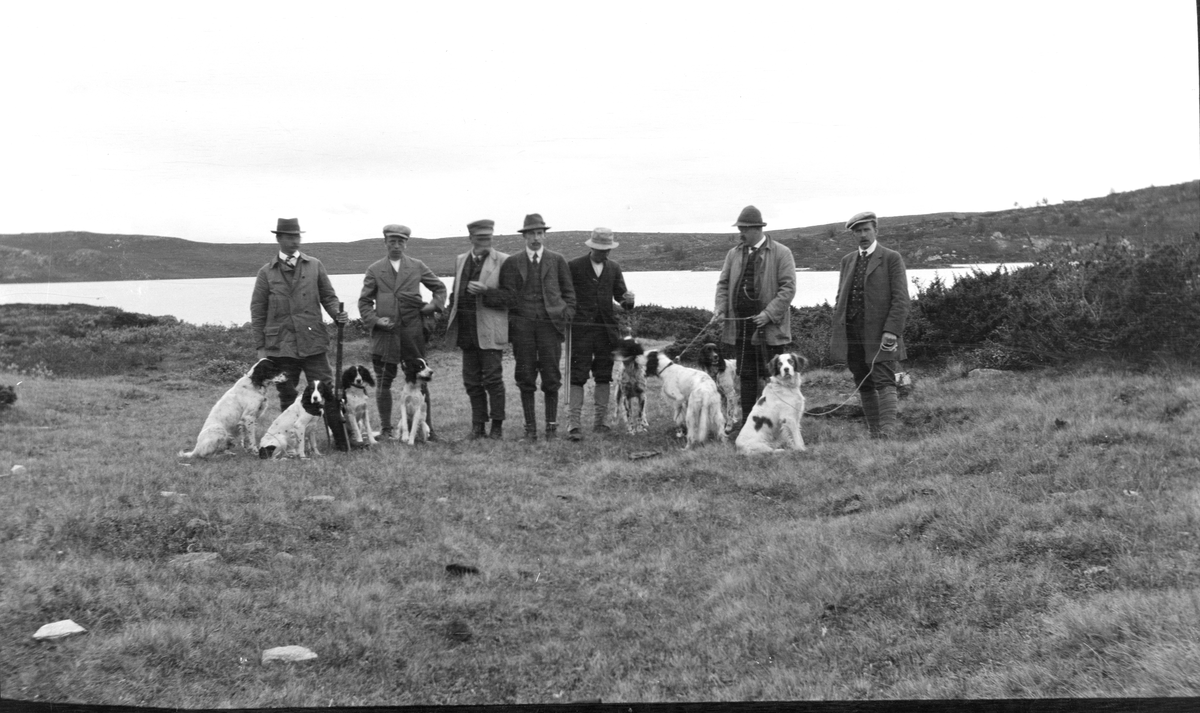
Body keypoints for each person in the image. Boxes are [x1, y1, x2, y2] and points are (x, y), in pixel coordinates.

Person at [358, 224, 447, 441]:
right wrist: (377, 320)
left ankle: (428, 428)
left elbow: (440, 288)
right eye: (392, 241)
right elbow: (364, 302)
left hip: (412, 333)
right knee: (383, 381)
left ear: (406, 243)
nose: (396, 246)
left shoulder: (417, 266)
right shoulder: (375, 269)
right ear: (385, 242)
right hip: (385, 334)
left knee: (421, 379)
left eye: (401, 242)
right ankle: (387, 429)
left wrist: (432, 306)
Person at [251, 217, 348, 411]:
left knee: (327, 390)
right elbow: (258, 311)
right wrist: (261, 347)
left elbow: (328, 297)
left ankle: (341, 440)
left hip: (313, 341)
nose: (295, 241)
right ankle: (288, 439)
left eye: (297, 236)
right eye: (289, 237)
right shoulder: (266, 272)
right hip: (281, 346)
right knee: (287, 393)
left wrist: (337, 314)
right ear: (278, 238)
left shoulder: (314, 265)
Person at [494, 213, 576, 442]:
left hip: (551, 327)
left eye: (540, 233)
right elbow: (507, 296)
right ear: (524, 237)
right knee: (525, 376)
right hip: (523, 329)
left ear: (544, 235)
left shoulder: (557, 260)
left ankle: (551, 429)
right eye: (531, 234)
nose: (536, 238)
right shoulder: (512, 263)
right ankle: (530, 429)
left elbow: (569, 293)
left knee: (551, 376)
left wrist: (566, 314)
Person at [714, 205, 796, 430]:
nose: (740, 234)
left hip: (769, 330)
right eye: (739, 229)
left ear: (756, 229)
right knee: (747, 377)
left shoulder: (782, 252)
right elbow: (723, 284)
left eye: (744, 229)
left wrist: (768, 314)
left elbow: (788, 288)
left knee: (773, 378)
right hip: (741, 330)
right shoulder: (733, 254)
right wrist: (720, 309)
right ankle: (749, 425)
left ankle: (777, 424)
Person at [830, 211, 910, 439]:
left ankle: (888, 433)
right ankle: (875, 433)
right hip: (852, 332)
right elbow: (840, 298)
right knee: (861, 379)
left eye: (866, 229)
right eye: (858, 231)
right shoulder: (847, 261)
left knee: (884, 379)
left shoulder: (891, 258)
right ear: (853, 235)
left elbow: (901, 298)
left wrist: (892, 330)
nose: (862, 235)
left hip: (880, 333)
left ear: (876, 230)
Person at [565, 227, 634, 441]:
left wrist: (628, 301)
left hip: (606, 332)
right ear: (592, 246)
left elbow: (622, 299)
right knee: (577, 375)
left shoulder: (614, 268)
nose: (606, 253)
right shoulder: (574, 266)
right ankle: (573, 425)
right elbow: (565, 296)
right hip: (581, 331)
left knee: (604, 375)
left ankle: (601, 422)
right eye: (602, 249)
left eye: (608, 249)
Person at [444, 219, 509, 440]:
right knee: (471, 381)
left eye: (488, 239)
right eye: (480, 239)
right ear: (470, 239)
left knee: (493, 379)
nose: (485, 243)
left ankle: (497, 427)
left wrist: (486, 291)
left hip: (491, 331)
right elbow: (455, 294)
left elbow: (511, 298)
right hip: (466, 331)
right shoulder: (460, 260)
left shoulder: (504, 261)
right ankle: (478, 426)